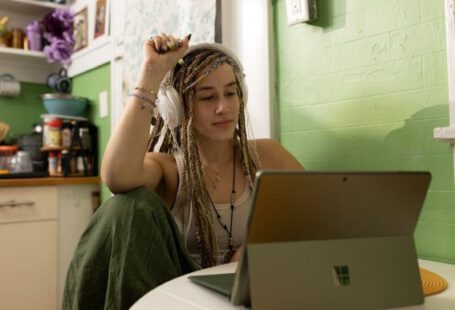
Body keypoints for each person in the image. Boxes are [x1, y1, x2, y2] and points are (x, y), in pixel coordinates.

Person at [63, 33, 302, 310]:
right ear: (177, 108)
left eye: (231, 93)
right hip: (179, 294)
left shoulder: (266, 156)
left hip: (252, 290)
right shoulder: (168, 169)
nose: (223, 107)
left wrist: (256, 245)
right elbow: (117, 176)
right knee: (126, 206)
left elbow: (318, 215)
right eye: (207, 97)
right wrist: (151, 74)